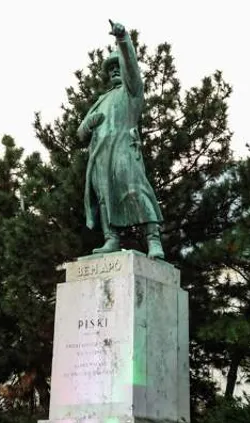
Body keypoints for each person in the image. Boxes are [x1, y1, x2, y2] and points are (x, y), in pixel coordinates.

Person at [77, 19, 165, 259]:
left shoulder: (131, 92)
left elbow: (132, 71)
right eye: (110, 68)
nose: (115, 70)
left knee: (136, 189)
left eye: (118, 66)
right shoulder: (101, 100)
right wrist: (88, 123)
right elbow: (80, 134)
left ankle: (153, 239)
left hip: (124, 150)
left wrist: (122, 39)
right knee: (105, 198)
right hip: (100, 156)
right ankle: (111, 238)